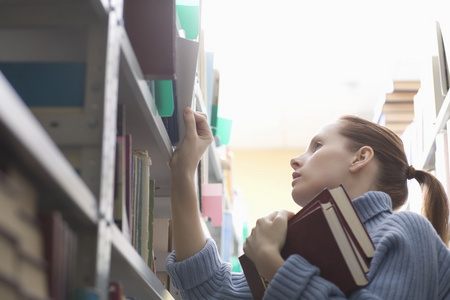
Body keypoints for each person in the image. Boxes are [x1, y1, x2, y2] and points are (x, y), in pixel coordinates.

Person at [166, 107, 450, 299]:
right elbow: (210, 290)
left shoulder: (406, 230)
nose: (296, 159)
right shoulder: (303, 246)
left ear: (360, 158)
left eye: (317, 146)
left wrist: (268, 259)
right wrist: (183, 173)